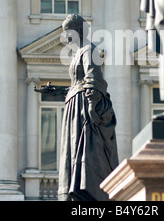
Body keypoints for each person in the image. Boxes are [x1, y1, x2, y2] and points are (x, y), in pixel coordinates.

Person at [36, 14, 118, 201]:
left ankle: (85, 191)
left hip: (83, 106)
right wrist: (59, 91)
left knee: (84, 151)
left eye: (68, 31)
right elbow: (77, 83)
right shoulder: (78, 53)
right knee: (72, 153)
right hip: (74, 104)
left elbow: (93, 78)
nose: (66, 36)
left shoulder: (90, 50)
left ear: (78, 30)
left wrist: (91, 105)